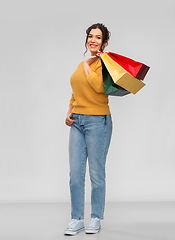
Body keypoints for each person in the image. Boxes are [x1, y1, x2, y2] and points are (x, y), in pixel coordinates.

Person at [64, 23, 112, 235]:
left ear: (104, 42)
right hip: (77, 122)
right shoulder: (81, 64)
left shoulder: (106, 64)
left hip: (98, 121)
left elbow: (99, 87)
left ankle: (95, 218)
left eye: (98, 37)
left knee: (96, 172)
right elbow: (76, 91)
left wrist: (86, 64)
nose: (93, 40)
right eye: (90, 36)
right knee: (75, 173)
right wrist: (69, 109)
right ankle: (76, 218)